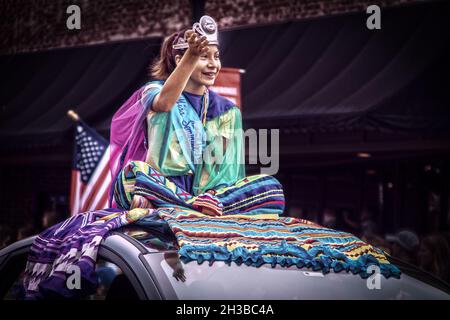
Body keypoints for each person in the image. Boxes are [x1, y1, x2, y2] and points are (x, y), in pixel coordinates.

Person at [110, 15, 285, 217]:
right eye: (203, 56)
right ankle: (192, 206)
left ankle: (196, 207)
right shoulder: (153, 91)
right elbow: (165, 104)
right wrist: (191, 56)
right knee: (132, 176)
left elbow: (226, 174)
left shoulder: (227, 110)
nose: (213, 64)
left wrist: (212, 197)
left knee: (271, 188)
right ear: (180, 60)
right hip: (161, 187)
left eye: (216, 56)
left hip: (211, 198)